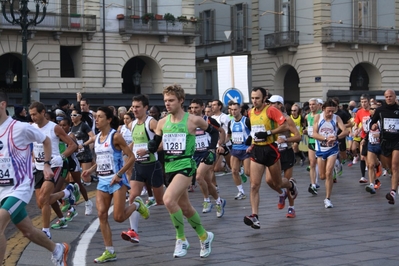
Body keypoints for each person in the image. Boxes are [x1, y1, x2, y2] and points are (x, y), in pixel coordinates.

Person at [0, 91, 69, 266]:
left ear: (2, 105)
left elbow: (45, 140)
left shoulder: (20, 127)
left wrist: (46, 164)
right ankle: (57, 249)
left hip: (19, 188)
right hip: (2, 188)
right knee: (28, 231)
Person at [148, 84, 214, 258]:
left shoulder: (193, 120)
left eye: (171, 100)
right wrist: (152, 146)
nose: (167, 104)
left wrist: (212, 150)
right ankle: (204, 236)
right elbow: (156, 142)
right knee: (185, 207)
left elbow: (214, 133)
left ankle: (181, 239)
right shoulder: (162, 122)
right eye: (165, 101)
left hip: (186, 165)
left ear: (181, 101)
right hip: (168, 167)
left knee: (168, 199)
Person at [81, 106, 149, 263]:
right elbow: (100, 160)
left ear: (109, 119)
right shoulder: (97, 138)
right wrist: (90, 170)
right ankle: (109, 251)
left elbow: (131, 157)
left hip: (117, 181)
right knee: (101, 214)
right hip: (103, 182)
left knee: (118, 217)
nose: (96, 120)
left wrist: (119, 175)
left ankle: (137, 205)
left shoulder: (116, 137)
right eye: (96, 117)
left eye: (100, 117)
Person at [243, 88, 297, 229]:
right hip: (257, 150)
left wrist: (268, 133)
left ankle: (291, 185)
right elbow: (255, 128)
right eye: (252, 98)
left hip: (271, 149)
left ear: (264, 98)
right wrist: (251, 139)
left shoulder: (271, 110)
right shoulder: (250, 112)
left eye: (257, 98)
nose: (254, 101)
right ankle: (255, 216)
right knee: (254, 185)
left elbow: (284, 125)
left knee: (277, 183)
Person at [29, 101, 79, 239]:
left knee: (44, 198)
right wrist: (33, 160)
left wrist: (61, 157)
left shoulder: (54, 128)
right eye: (31, 115)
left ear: (43, 113)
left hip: (54, 166)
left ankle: (45, 231)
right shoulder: (32, 127)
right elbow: (35, 146)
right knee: (41, 202)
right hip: (39, 168)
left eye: (35, 114)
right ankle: (66, 192)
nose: (32, 117)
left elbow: (72, 145)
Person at [120, 95, 164, 244]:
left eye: (138, 106)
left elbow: (163, 143)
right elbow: (135, 141)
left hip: (153, 167)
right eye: (133, 106)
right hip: (138, 166)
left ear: (146, 107)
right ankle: (134, 232)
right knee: (132, 197)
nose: (135, 109)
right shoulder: (131, 125)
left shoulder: (151, 123)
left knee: (161, 201)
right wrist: (126, 151)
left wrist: (148, 151)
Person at [190, 98, 226, 217]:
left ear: (202, 107)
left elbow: (221, 131)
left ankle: (206, 201)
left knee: (199, 176)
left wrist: (219, 144)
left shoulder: (208, 120)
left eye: (196, 107)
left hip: (207, 152)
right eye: (192, 108)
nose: (194, 110)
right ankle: (219, 201)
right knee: (207, 181)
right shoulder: (189, 121)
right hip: (195, 153)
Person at [268, 96, 301, 218]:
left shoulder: (287, 119)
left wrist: (286, 139)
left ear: (280, 105)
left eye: (273, 103)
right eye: (269, 103)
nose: (270, 106)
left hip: (286, 152)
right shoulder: (268, 118)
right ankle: (281, 194)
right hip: (272, 152)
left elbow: (298, 137)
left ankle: (291, 208)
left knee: (286, 181)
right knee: (269, 180)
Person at [312, 99, 348, 208]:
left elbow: (345, 131)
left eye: (333, 111)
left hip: (333, 149)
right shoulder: (318, 117)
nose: (331, 113)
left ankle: (327, 199)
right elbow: (314, 133)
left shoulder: (337, 118)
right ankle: (337, 165)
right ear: (323, 109)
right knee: (322, 176)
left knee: (328, 174)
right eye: (329, 111)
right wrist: (325, 138)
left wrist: (336, 137)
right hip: (320, 149)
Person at [369, 89, 399, 204]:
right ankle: (396, 181)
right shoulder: (380, 110)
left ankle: (392, 193)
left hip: (397, 140)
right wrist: (374, 125)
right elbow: (373, 122)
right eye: (386, 97)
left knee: (395, 165)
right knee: (389, 167)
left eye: (390, 96)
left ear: (394, 97)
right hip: (385, 142)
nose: (388, 98)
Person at [225, 102, 251, 200]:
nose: (233, 112)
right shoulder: (230, 122)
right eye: (231, 110)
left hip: (246, 150)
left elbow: (253, 132)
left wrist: (251, 144)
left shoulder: (246, 121)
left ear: (240, 109)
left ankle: (252, 185)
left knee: (248, 173)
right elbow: (228, 135)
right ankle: (241, 191)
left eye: (235, 109)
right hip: (235, 150)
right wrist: (222, 143)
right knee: (234, 171)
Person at [70, 110, 95, 186]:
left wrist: (84, 144)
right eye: (71, 115)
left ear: (80, 116)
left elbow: (93, 137)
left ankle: (93, 181)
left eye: (74, 115)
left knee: (85, 177)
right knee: (73, 177)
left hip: (85, 154)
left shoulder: (83, 125)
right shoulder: (72, 127)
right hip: (75, 154)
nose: (72, 117)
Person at [304, 98, 321, 195]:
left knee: (321, 164)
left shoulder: (321, 116)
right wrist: (306, 131)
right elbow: (308, 127)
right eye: (310, 104)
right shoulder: (307, 116)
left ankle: (319, 179)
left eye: (313, 104)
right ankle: (313, 184)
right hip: (311, 141)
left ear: (318, 105)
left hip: (320, 142)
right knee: (312, 163)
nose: (311, 106)